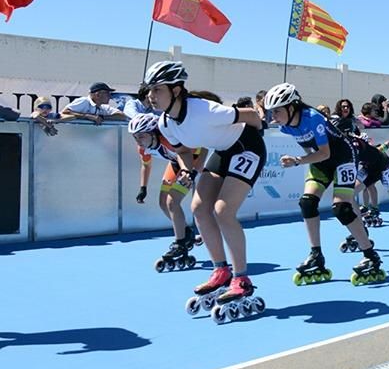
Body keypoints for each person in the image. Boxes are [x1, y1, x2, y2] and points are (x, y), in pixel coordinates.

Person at [144, 61, 267, 323]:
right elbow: (184, 152)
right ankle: (221, 271)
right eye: (149, 90)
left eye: (157, 89)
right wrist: (188, 171)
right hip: (222, 152)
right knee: (198, 208)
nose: (151, 96)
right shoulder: (165, 123)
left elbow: (252, 116)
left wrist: (260, 133)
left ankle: (241, 278)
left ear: (176, 90)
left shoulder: (204, 110)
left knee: (223, 211)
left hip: (247, 145)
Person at [263, 83, 387, 286]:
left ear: (291, 107)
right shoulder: (285, 126)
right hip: (320, 161)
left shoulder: (313, 118)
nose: (273, 116)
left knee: (341, 208)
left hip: (342, 158)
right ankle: (316, 256)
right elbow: (316, 153)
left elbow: (326, 152)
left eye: (277, 110)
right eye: (271, 112)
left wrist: (297, 160)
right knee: (307, 204)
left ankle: (370, 255)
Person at [127, 113, 206, 272]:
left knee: (172, 201)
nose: (138, 141)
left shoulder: (169, 139)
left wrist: (193, 171)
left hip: (193, 159)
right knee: (163, 203)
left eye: (141, 136)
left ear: (153, 133)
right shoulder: (143, 148)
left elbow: (200, 149)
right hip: (176, 162)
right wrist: (143, 188)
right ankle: (186, 233)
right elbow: (146, 166)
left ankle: (180, 242)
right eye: (135, 137)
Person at [61, 82, 127, 124]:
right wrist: (88, 116)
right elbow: (65, 112)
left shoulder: (103, 107)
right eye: (107, 93)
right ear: (97, 95)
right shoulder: (84, 101)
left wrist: (101, 117)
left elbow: (122, 116)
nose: (110, 96)